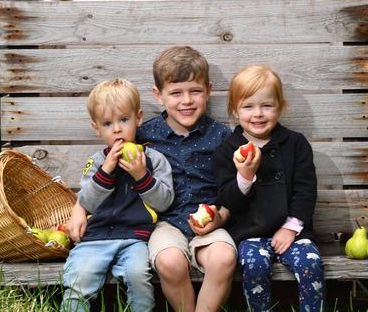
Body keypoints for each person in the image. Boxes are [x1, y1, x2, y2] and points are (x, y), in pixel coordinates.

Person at [213, 65, 324, 312]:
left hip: (293, 231)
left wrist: (291, 228)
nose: (258, 114)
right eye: (248, 106)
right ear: (234, 110)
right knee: (254, 267)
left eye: (267, 106)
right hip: (249, 231)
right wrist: (245, 176)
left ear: (280, 107)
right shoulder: (227, 150)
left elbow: (305, 190)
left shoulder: (295, 144)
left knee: (311, 264)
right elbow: (227, 199)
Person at [137, 46, 238, 311]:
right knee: (170, 262)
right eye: (176, 93)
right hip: (165, 223)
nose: (186, 101)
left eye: (195, 91)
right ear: (158, 96)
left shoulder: (221, 137)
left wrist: (221, 217)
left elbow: (231, 189)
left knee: (224, 258)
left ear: (208, 90)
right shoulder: (146, 137)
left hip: (212, 222)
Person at [62, 78, 174, 312]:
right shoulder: (97, 162)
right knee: (79, 278)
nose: (116, 129)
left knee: (138, 277)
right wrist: (106, 171)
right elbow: (87, 202)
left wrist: (142, 175)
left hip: (136, 237)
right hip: (96, 238)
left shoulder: (153, 160)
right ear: (97, 128)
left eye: (124, 120)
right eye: (107, 123)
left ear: (138, 118)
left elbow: (164, 203)